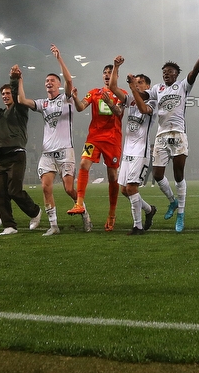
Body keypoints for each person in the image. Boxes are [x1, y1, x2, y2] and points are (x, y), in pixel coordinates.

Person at [130, 45, 199, 232]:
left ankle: (181, 213)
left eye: (170, 72)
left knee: (179, 174)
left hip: (178, 133)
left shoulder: (183, 85)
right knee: (157, 175)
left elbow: (195, 71)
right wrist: (132, 85)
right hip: (162, 135)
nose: (166, 74)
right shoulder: (158, 88)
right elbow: (143, 95)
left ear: (176, 74)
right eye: (164, 72)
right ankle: (172, 201)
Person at [16, 45, 91, 236]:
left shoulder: (66, 98)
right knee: (45, 187)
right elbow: (22, 100)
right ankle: (54, 225)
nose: (48, 83)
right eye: (46, 81)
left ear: (58, 84)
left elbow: (69, 79)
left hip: (65, 150)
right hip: (47, 153)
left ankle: (84, 212)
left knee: (68, 189)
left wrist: (59, 58)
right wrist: (20, 80)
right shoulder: (43, 103)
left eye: (52, 80)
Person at [0, 66, 41, 235]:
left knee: (14, 190)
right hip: (1, 158)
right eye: (3, 94)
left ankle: (35, 212)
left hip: (16, 154)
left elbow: (17, 96)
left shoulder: (20, 109)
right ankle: (9, 225)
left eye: (8, 93)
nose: (5, 96)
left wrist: (13, 80)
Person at [69, 62, 126, 232]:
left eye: (111, 72)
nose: (108, 75)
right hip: (94, 137)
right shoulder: (94, 93)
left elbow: (119, 112)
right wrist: (74, 97)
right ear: (102, 76)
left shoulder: (122, 94)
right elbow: (80, 108)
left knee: (112, 176)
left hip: (112, 139)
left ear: (116, 76)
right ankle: (79, 203)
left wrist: (109, 103)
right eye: (105, 72)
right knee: (83, 164)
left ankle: (112, 214)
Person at [119, 68, 158, 234]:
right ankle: (149, 210)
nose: (137, 85)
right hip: (127, 152)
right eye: (136, 82)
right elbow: (114, 88)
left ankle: (138, 226)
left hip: (140, 151)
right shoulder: (130, 100)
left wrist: (133, 88)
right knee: (124, 190)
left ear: (148, 86)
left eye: (140, 82)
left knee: (132, 188)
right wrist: (116, 67)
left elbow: (143, 110)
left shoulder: (153, 101)